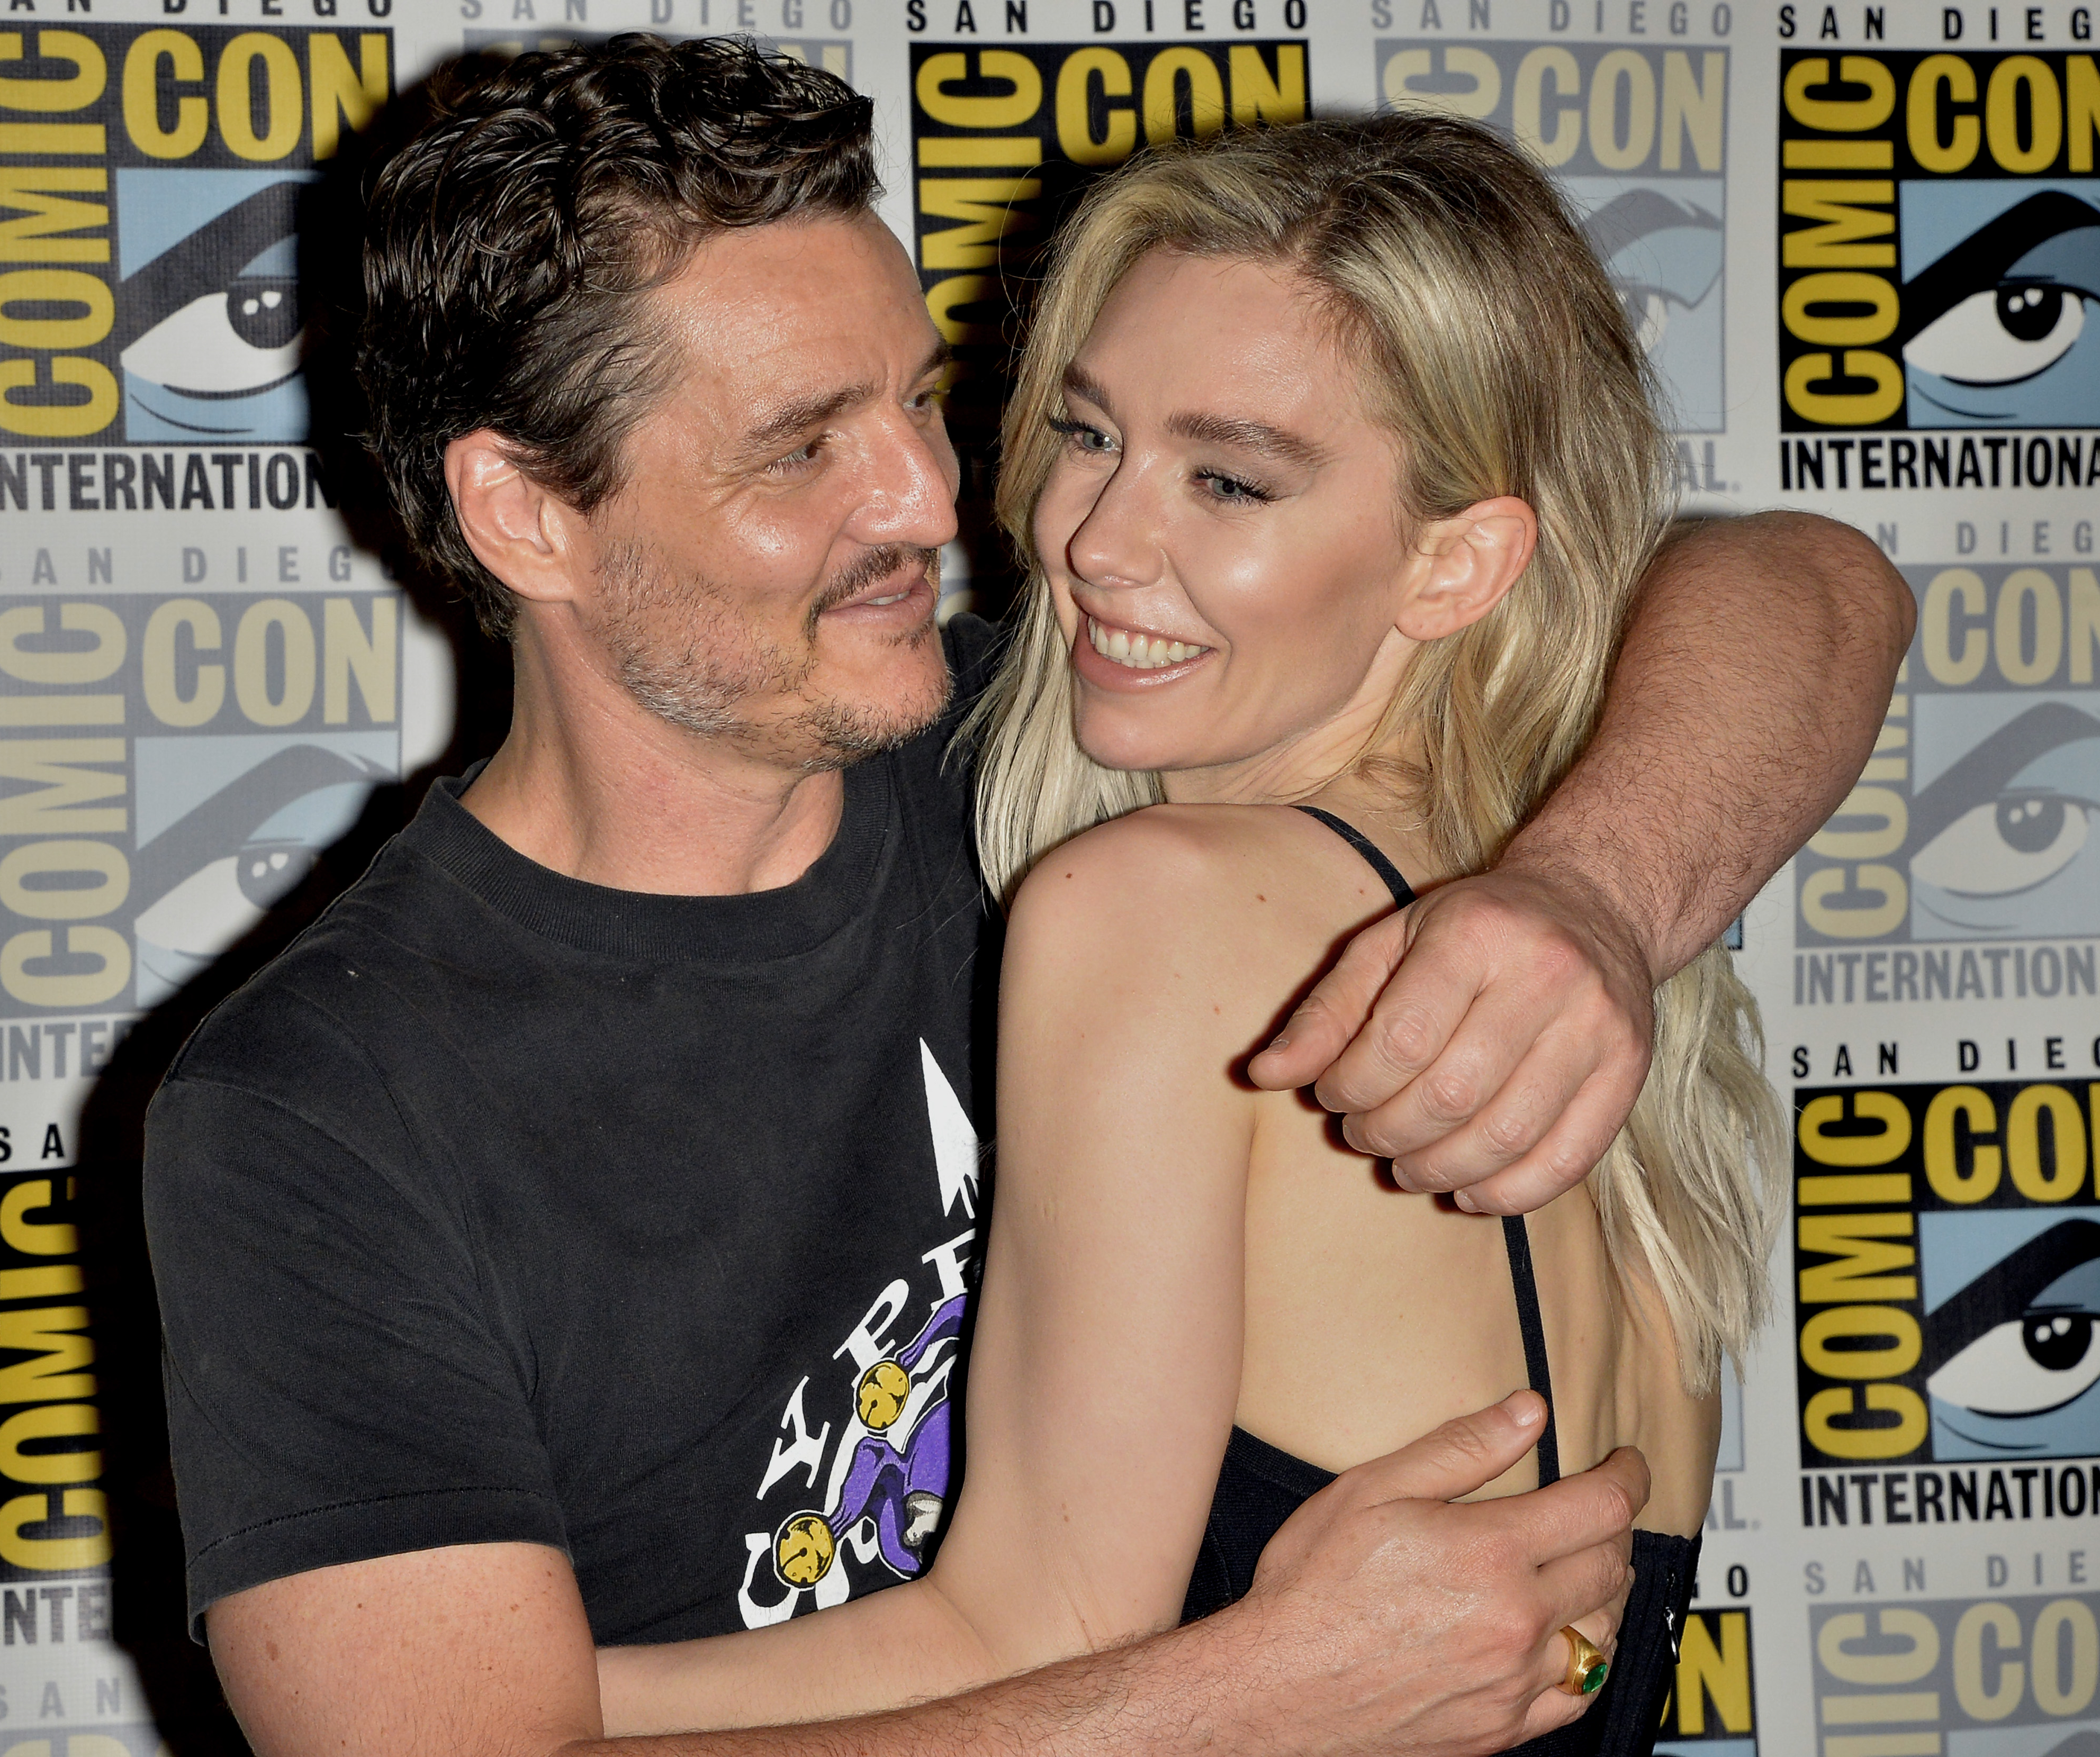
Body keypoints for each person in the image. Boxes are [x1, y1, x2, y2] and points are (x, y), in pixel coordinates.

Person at [140, 35, 1913, 1757]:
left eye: (920, 398)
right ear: (526, 517)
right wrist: (1258, 1695)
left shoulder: (1093, 769)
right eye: (802, 444)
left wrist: (1596, 889)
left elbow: (1809, 577)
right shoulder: (318, 1112)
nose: (944, 501)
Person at [594, 110, 1783, 1755]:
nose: (1093, 542)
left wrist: (475, 1706)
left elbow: (1033, 1632)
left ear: (1457, 562)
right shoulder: (1616, 999)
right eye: (1091, 435)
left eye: (1228, 477)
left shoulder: (1159, 910)